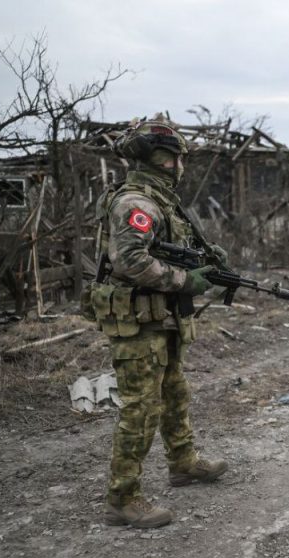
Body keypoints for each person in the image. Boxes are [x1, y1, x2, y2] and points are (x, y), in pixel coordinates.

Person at [83, 116, 229, 528]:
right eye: (178, 158)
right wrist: (187, 281)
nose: (182, 166)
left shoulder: (160, 199)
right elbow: (131, 261)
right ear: (164, 160)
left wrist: (204, 258)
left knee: (174, 392)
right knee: (141, 408)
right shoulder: (138, 203)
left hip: (160, 318)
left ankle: (183, 463)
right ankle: (122, 499)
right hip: (138, 321)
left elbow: (164, 251)